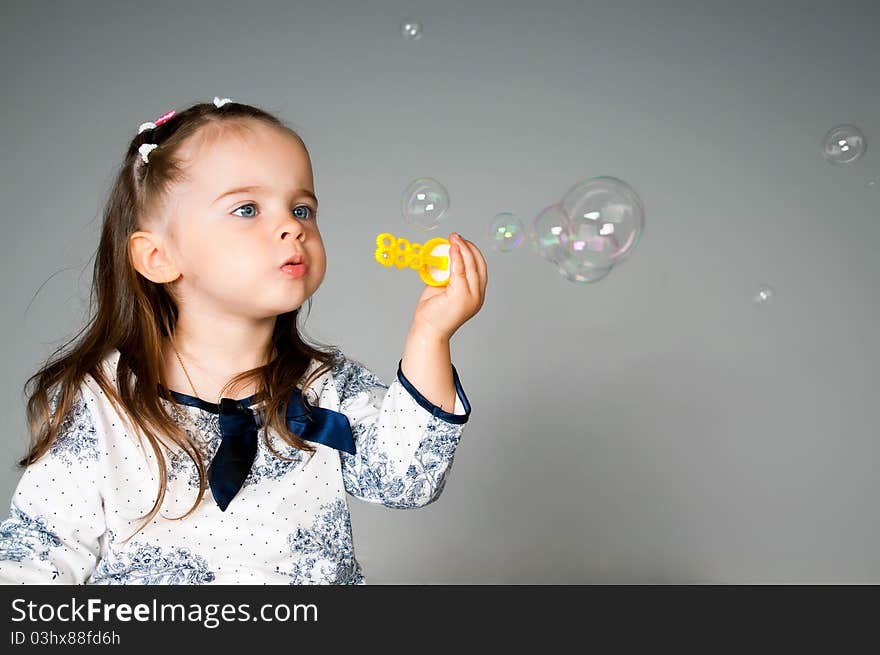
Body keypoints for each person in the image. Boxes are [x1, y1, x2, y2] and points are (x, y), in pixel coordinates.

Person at [0, 97, 487, 584]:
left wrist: (431, 333)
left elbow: (406, 479)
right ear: (157, 257)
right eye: (247, 208)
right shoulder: (105, 399)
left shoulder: (324, 387)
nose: (291, 226)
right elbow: (37, 557)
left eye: (302, 208)